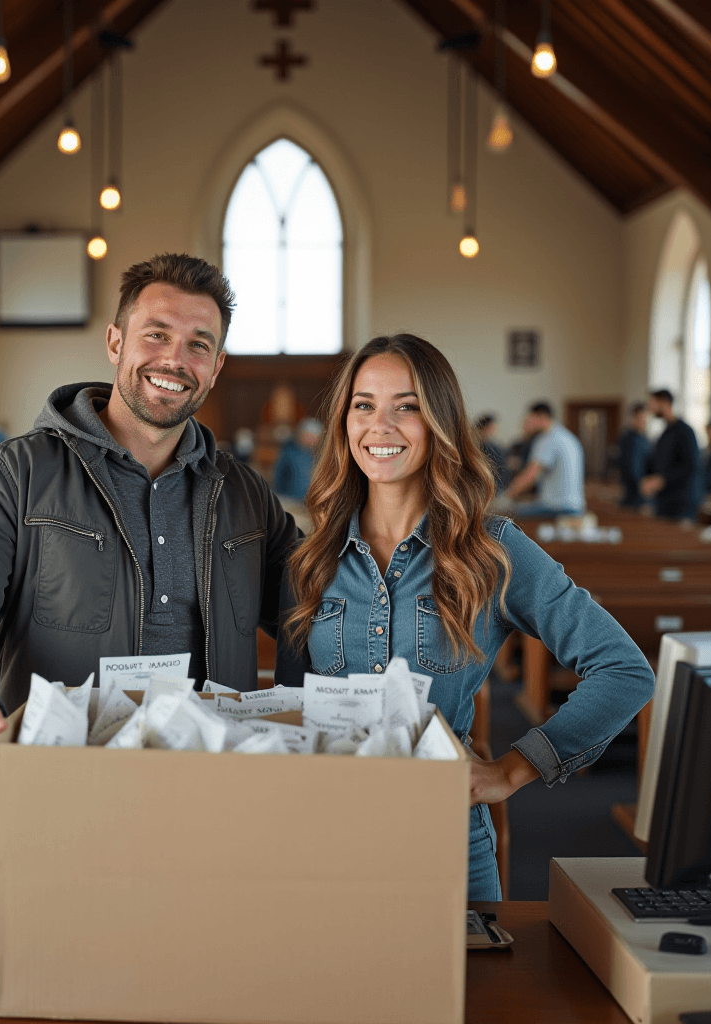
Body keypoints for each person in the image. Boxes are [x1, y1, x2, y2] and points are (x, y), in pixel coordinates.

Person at [0, 253, 300, 890]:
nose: (175, 360)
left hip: (209, 818)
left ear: (216, 368)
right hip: (53, 811)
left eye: (199, 345)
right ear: (115, 341)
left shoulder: (245, 495)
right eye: (156, 334)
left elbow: (319, 612)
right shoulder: (15, 477)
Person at [275, 334, 654, 900]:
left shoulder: (489, 551)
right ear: (343, 423)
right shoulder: (313, 557)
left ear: (439, 423)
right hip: (329, 832)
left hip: (447, 836)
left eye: (407, 406)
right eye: (364, 405)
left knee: (470, 990)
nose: (381, 426)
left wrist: (513, 769)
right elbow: (289, 703)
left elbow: (624, 669)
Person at [504, 402, 585, 517]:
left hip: (557, 508)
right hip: (575, 507)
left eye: (529, 420)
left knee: (504, 516)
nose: (526, 424)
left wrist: (506, 496)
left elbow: (530, 476)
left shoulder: (547, 439)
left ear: (541, 416)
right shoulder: (566, 435)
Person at [641, 389, 701, 521]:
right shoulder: (664, 434)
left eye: (652, 402)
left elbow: (691, 466)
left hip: (682, 504)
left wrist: (661, 480)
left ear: (664, 403)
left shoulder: (685, 431)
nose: (650, 407)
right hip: (665, 503)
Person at [274, 417, 323, 500]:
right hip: (289, 500)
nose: (313, 439)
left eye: (316, 437)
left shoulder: (316, 455)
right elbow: (279, 478)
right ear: (302, 434)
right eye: (310, 436)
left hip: (307, 502)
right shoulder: (289, 452)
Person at [616, 402, 652, 509]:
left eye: (646, 418)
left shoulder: (644, 438)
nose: (644, 421)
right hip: (636, 495)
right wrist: (642, 487)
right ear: (633, 418)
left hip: (643, 491)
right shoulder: (630, 440)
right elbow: (632, 467)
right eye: (641, 418)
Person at [474, 414, 510, 493]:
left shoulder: (493, 447)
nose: (495, 430)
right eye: (493, 427)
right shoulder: (492, 448)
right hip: (489, 487)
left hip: (490, 487)